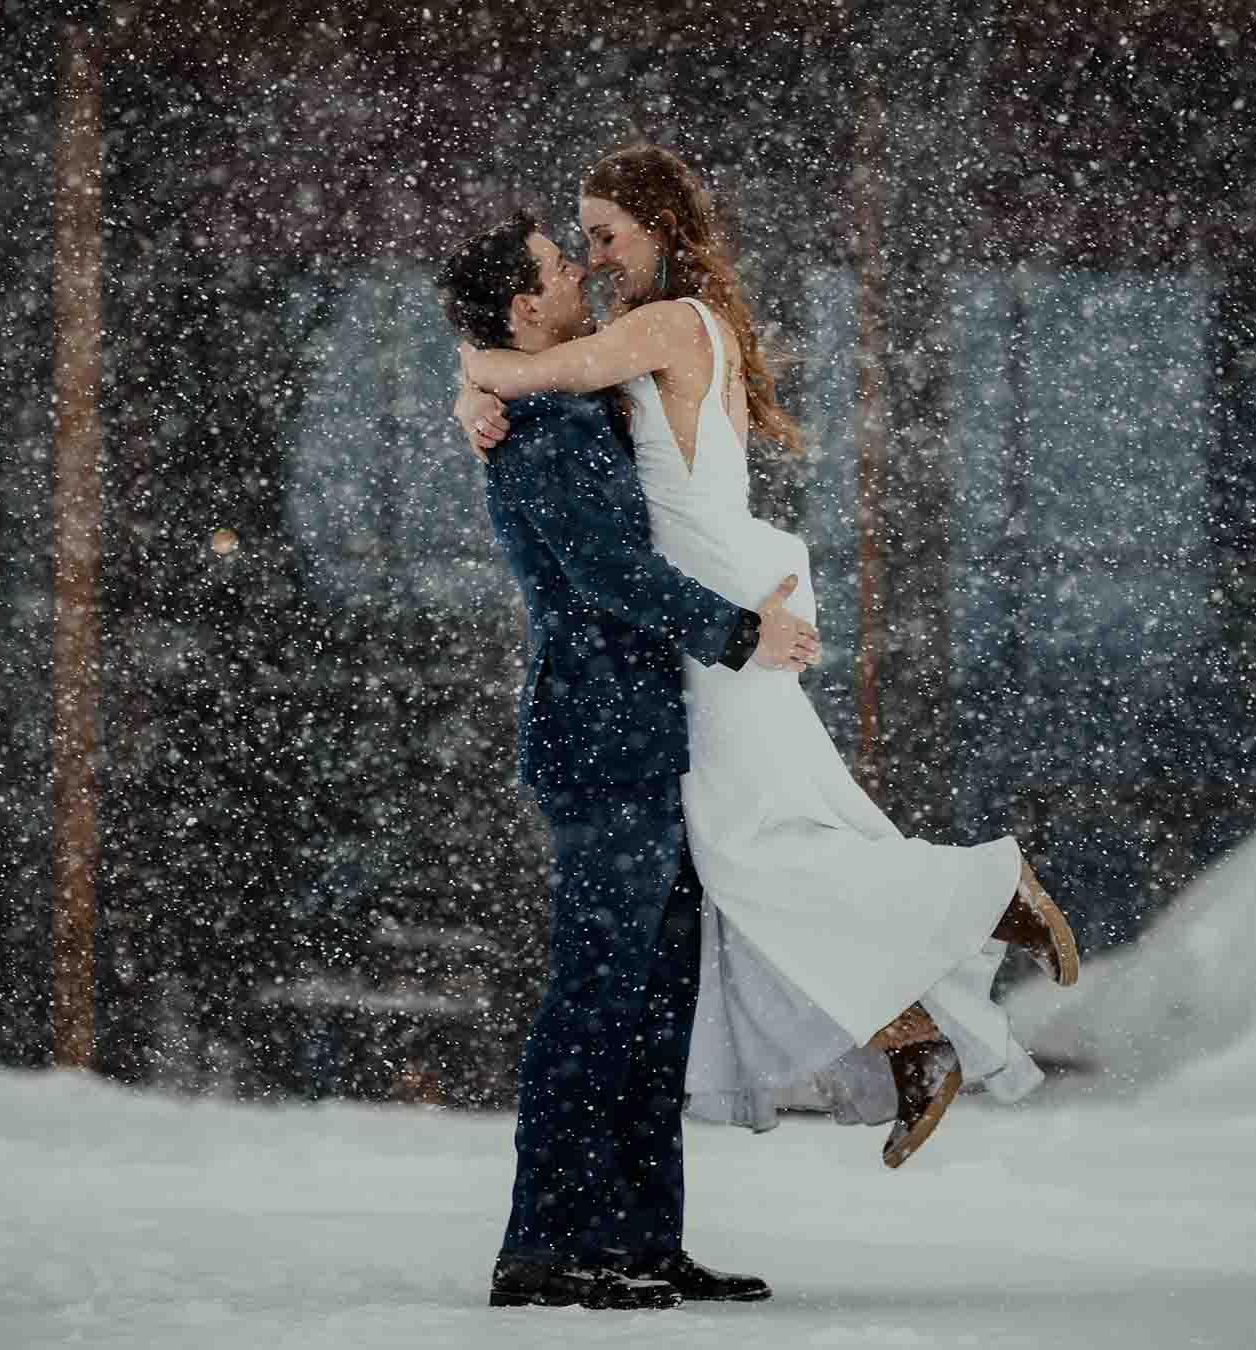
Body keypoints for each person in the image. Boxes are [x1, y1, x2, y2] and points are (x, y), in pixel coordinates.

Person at [453, 145, 1082, 1172]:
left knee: (750, 845)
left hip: (710, 599)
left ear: (653, 226)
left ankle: (981, 901)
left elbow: (534, 365)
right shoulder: (647, 326)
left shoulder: (665, 324)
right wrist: (472, 383)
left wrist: (470, 373)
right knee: (748, 845)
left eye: (604, 233)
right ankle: (906, 1031)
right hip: (705, 597)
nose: (594, 255)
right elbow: (537, 364)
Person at [437, 210, 814, 1311]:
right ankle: (545, 1246)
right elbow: (610, 573)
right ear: (523, 303)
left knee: (654, 996)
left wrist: (472, 378)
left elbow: (557, 382)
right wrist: (746, 634)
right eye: (560, 268)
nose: (579, 276)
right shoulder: (545, 433)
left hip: (642, 735)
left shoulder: (559, 400)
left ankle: (643, 1237)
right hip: (598, 740)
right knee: (598, 998)